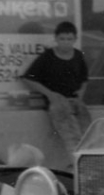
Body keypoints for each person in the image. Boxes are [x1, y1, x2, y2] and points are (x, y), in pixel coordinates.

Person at [20, 21, 92, 165]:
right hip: (58, 104)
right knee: (73, 139)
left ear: (75, 40)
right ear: (56, 39)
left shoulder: (78, 56)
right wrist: (50, 95)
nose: (66, 43)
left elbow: (84, 79)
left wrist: (80, 95)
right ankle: (81, 168)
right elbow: (28, 79)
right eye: (62, 39)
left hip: (76, 102)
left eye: (69, 39)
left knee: (89, 137)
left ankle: (91, 167)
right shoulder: (48, 57)